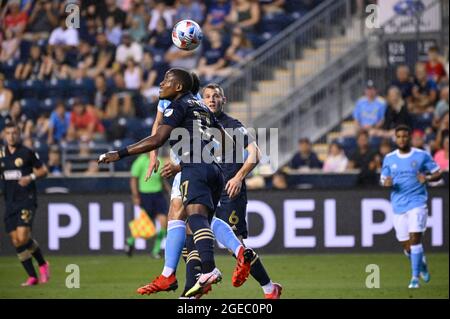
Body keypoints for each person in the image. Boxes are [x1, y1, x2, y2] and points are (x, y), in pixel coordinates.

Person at [98, 68, 232, 297]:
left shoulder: (177, 106)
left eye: (166, 81)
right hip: (215, 171)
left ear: (178, 87)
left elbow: (157, 139)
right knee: (192, 225)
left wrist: (119, 154)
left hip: (194, 169)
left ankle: (207, 270)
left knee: (196, 220)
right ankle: (186, 283)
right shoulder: (200, 106)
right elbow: (227, 141)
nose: (161, 84)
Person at [131, 73, 252, 299]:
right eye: (207, 95)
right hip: (197, 166)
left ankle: (181, 276)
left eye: (215, 96)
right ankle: (196, 284)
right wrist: (152, 158)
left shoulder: (185, 102)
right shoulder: (184, 102)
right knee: (195, 222)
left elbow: (158, 132)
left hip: (190, 166)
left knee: (185, 218)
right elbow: (158, 128)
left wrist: (162, 159)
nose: (163, 83)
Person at [380, 125, 442, 288]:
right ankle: (422, 264)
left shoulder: (421, 155)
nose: (402, 139)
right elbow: (383, 179)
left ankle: (414, 278)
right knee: (407, 247)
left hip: (417, 202)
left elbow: (438, 172)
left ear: (410, 138)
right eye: (399, 136)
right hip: (399, 206)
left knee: (415, 240)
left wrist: (427, 178)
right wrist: (386, 183)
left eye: (405, 136)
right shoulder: (389, 158)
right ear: (395, 138)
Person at [0, 122, 49, 286]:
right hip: (10, 202)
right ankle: (32, 276)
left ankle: (42, 264)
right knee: (16, 241)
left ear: (19, 134)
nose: (11, 136)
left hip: (26, 200)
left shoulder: (27, 153)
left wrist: (31, 177)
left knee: (22, 237)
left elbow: (43, 170)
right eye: (8, 133)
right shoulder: (1, 154)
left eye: (14, 133)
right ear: (4, 135)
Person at [125, 154, 169, 259]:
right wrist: (135, 196)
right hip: (145, 195)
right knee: (145, 225)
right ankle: (130, 240)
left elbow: (161, 178)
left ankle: (155, 251)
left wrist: (168, 189)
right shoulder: (140, 161)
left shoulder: (159, 160)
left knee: (164, 223)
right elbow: (134, 179)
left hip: (158, 195)